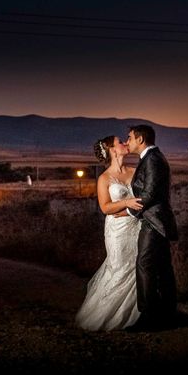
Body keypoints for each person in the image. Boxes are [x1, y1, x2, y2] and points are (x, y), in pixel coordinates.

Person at [75, 136, 144, 331]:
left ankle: (137, 315)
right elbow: (105, 207)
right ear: (113, 150)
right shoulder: (104, 178)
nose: (124, 143)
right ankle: (109, 316)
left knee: (137, 267)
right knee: (120, 267)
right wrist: (126, 203)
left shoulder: (135, 171)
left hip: (137, 226)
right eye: (120, 142)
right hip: (118, 231)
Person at [125, 124, 178, 331]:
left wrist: (128, 212)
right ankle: (167, 314)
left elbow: (149, 194)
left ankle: (148, 317)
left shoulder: (153, 159)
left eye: (129, 137)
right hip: (157, 221)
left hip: (154, 222)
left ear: (140, 139)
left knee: (144, 265)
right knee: (163, 268)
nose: (127, 141)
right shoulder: (151, 158)